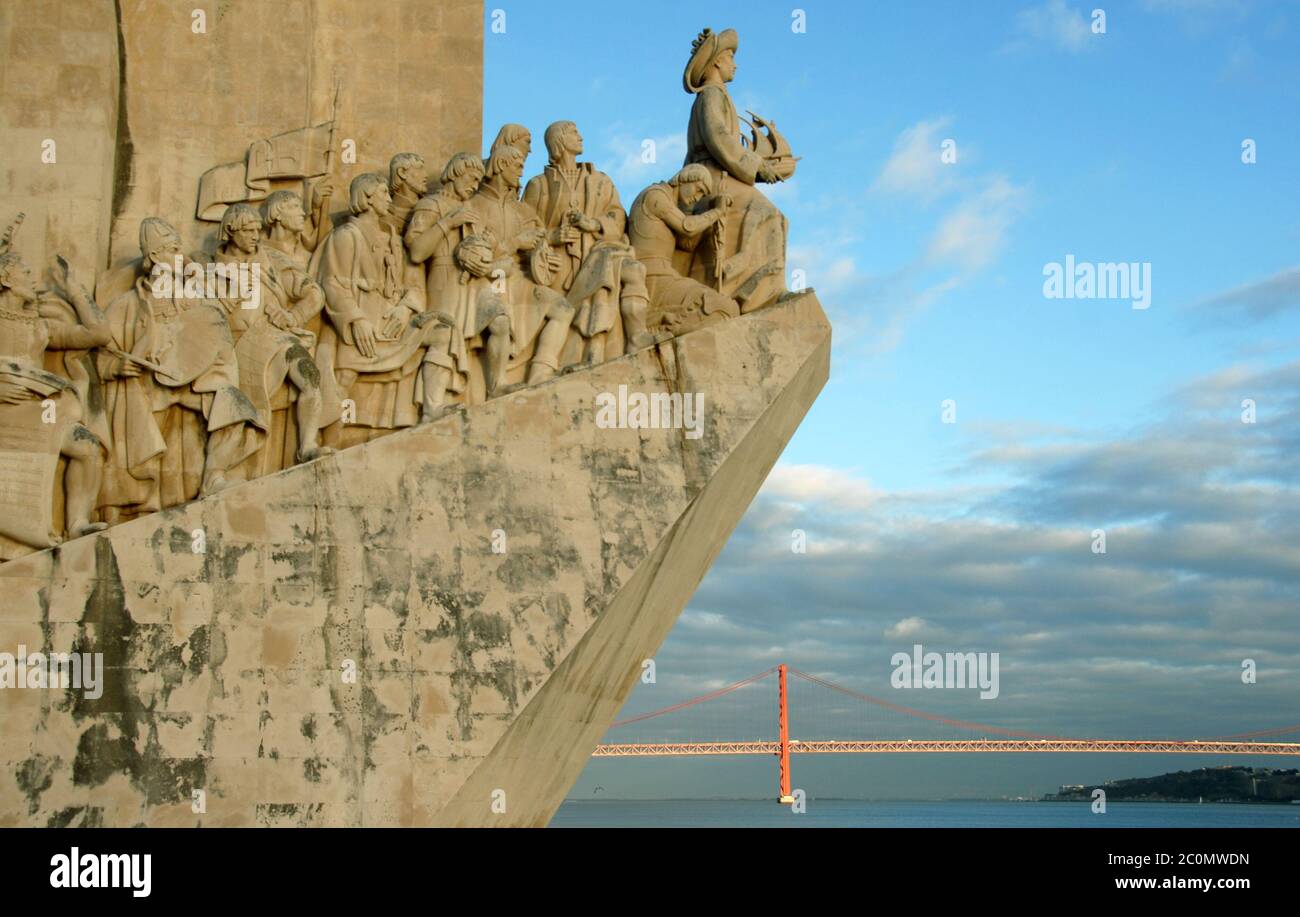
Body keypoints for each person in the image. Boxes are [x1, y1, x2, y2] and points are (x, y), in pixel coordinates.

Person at [315, 173, 459, 445]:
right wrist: (356, 320)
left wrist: (405, 308)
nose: (389, 198)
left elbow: (413, 284)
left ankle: (431, 410)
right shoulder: (347, 236)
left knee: (442, 333)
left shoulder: (393, 237)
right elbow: (332, 283)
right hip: (362, 324)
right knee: (344, 376)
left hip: (394, 320)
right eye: (383, 193)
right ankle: (327, 444)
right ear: (367, 198)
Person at [0, 251, 111, 547]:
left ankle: (77, 524)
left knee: (87, 446)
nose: (32, 278)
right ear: (5, 278)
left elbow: (98, 334)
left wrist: (75, 290)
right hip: (3, 410)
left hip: (36, 409)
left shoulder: (40, 327)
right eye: (24, 272)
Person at [626, 164, 739, 333]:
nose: (697, 197)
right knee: (722, 307)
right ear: (686, 178)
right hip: (652, 277)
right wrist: (717, 212)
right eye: (698, 189)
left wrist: (710, 217)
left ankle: (665, 326)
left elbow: (688, 244)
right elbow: (687, 227)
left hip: (664, 275)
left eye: (702, 195)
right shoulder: (656, 195)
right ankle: (660, 327)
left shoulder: (670, 205)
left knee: (727, 308)